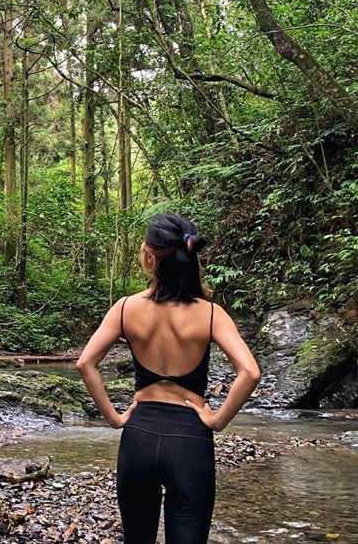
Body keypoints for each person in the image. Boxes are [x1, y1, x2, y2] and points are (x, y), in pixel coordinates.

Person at [75, 214, 261, 544]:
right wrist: (217, 420)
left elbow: (86, 363)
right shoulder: (211, 313)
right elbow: (250, 372)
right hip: (190, 441)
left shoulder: (124, 308)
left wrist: (115, 418)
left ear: (149, 256)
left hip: (138, 439)